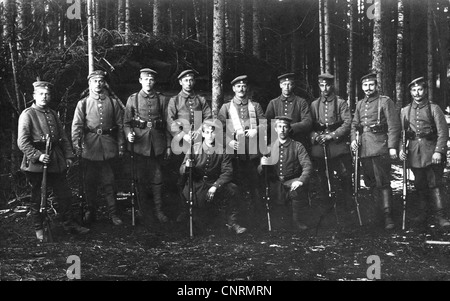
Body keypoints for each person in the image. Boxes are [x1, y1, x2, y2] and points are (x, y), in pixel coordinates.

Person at [18, 81, 90, 241]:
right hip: (37, 164)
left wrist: (69, 156)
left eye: (47, 94)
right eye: (41, 94)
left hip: (56, 160)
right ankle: (39, 228)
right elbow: (22, 142)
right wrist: (38, 155)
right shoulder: (27, 114)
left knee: (64, 194)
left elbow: (63, 138)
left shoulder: (52, 114)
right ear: (34, 96)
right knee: (38, 197)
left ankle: (69, 224)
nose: (44, 97)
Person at [72, 70, 125, 226]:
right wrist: (77, 145)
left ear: (104, 83)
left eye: (101, 81)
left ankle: (113, 213)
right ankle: (91, 212)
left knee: (109, 182)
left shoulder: (113, 103)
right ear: (89, 84)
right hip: (90, 147)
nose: (98, 84)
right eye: (95, 81)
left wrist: (121, 145)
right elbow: (77, 126)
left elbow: (121, 126)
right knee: (90, 183)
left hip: (108, 147)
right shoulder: (83, 103)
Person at [350, 72, 401, 230]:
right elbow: (354, 125)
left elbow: (394, 126)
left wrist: (392, 147)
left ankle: (387, 216)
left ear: (377, 86)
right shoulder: (359, 104)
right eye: (365, 85)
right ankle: (376, 216)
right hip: (364, 148)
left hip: (380, 146)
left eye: (371, 85)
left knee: (383, 182)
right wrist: (353, 140)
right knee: (370, 182)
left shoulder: (385, 101)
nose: (368, 88)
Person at [179, 120, 247, 234]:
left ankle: (232, 223)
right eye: (207, 132)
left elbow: (227, 172)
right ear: (203, 134)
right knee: (200, 221)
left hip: (213, 183)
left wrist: (215, 186)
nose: (210, 135)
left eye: (212, 132)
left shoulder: (222, 150)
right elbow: (181, 171)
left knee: (232, 189)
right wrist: (187, 166)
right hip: (197, 184)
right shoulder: (194, 149)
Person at [399, 77, 450, 227]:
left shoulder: (434, 109)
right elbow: (402, 134)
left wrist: (439, 151)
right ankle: (424, 214)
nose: (417, 93)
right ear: (410, 92)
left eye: (420, 89)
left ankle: (441, 216)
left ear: (425, 90)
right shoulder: (405, 111)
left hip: (431, 151)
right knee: (420, 183)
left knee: (435, 183)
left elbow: (443, 132)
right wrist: (402, 149)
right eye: (413, 90)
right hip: (415, 152)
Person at [123, 68, 171, 223]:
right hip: (139, 145)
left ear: (154, 81)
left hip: (157, 144)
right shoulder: (133, 99)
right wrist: (129, 133)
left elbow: (168, 124)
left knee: (158, 178)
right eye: (145, 79)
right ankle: (143, 211)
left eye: (151, 79)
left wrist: (169, 145)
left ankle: (159, 210)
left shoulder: (162, 99)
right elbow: (126, 123)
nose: (148, 82)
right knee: (140, 179)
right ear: (140, 81)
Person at [217, 75, 266, 218]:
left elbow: (264, 124)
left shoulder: (255, 106)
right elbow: (219, 129)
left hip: (252, 152)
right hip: (235, 152)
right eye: (238, 86)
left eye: (244, 86)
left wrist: (255, 129)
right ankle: (239, 217)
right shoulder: (226, 107)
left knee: (255, 184)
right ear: (233, 89)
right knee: (237, 185)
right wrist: (228, 142)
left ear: (247, 88)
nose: (241, 89)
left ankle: (258, 217)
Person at [167, 69, 212, 221]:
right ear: (180, 82)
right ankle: (183, 209)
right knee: (182, 177)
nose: (189, 83)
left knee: (198, 174)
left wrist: (199, 131)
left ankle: (198, 209)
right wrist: (183, 134)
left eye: (191, 80)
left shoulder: (200, 100)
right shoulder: (175, 101)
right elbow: (170, 121)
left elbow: (208, 117)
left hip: (199, 144)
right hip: (180, 144)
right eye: (186, 80)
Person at [259, 116, 313, 231]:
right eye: (279, 127)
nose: (282, 130)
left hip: (291, 180)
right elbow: (260, 172)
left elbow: (307, 166)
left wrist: (300, 180)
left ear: (289, 129)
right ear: (275, 129)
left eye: (285, 127)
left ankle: (297, 221)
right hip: (276, 183)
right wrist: (263, 165)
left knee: (297, 190)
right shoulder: (270, 147)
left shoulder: (297, 146)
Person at [310, 73, 353, 213]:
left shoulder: (341, 103)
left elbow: (347, 123)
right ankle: (325, 204)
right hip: (320, 143)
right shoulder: (314, 104)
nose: (325, 88)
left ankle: (347, 203)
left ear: (332, 85)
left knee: (344, 173)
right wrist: (316, 136)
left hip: (336, 143)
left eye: (327, 85)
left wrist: (332, 136)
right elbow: (309, 125)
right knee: (321, 174)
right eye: (322, 85)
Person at [265, 73, 312, 148]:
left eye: (289, 84)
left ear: (293, 86)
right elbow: (266, 122)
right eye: (284, 84)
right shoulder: (273, 103)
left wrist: (291, 128)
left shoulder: (301, 102)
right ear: (280, 85)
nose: (286, 87)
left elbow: (307, 122)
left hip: (296, 141)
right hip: (277, 142)